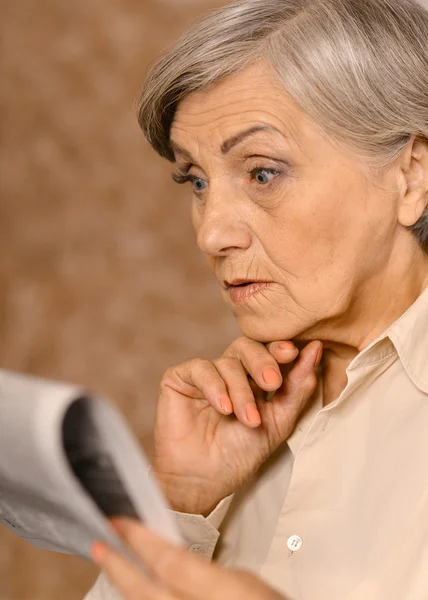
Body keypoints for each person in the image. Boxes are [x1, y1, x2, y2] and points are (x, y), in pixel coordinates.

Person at [85, 0, 428, 598]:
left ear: (411, 177)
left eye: (263, 172)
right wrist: (177, 504)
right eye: (196, 180)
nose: (211, 233)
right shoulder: (225, 432)